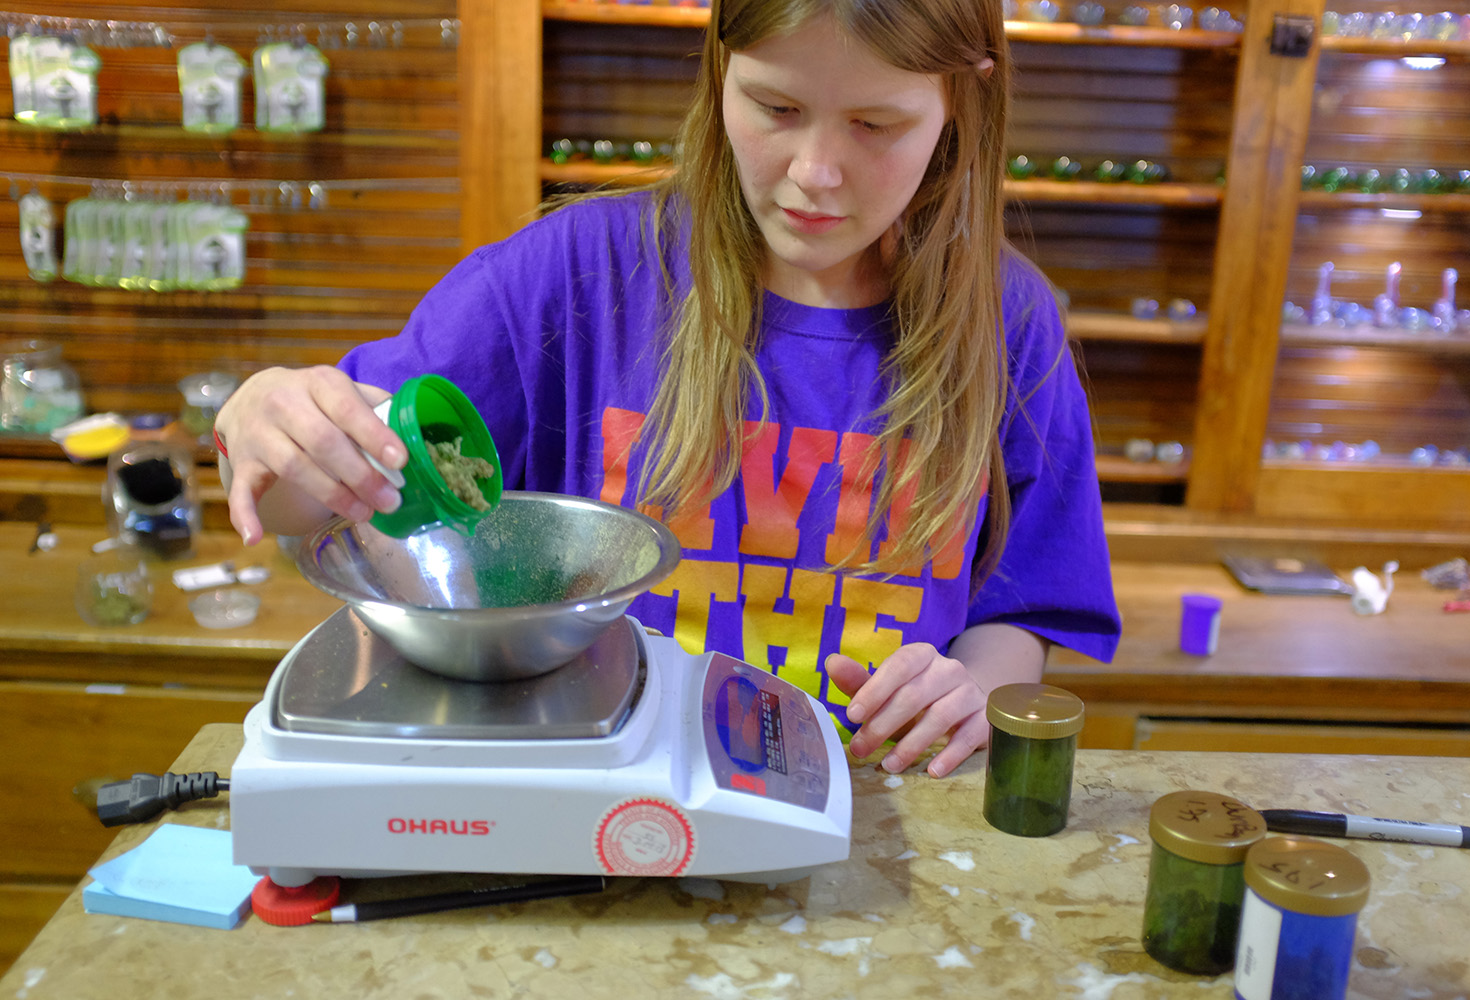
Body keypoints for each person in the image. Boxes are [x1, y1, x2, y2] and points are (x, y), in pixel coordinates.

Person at [214, 0, 1121, 779]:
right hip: (609, 793)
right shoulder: (575, 276)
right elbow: (318, 498)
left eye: (876, 125)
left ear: (962, 99)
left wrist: (973, 689)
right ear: (720, 69)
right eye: (775, 107)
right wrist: (270, 421)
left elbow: (1023, 609)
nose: (815, 172)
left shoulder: (1009, 323)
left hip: (878, 801)